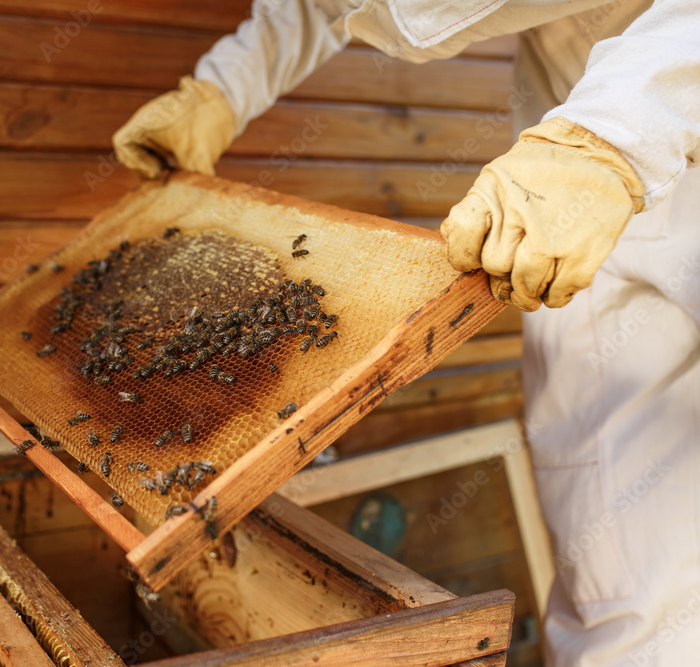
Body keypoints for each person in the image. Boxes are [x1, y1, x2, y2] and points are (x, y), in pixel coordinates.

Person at [111, 1, 700, 664]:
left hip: (615, 143)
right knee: (624, 572)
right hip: (576, 214)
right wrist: (224, 88)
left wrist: (612, 135)